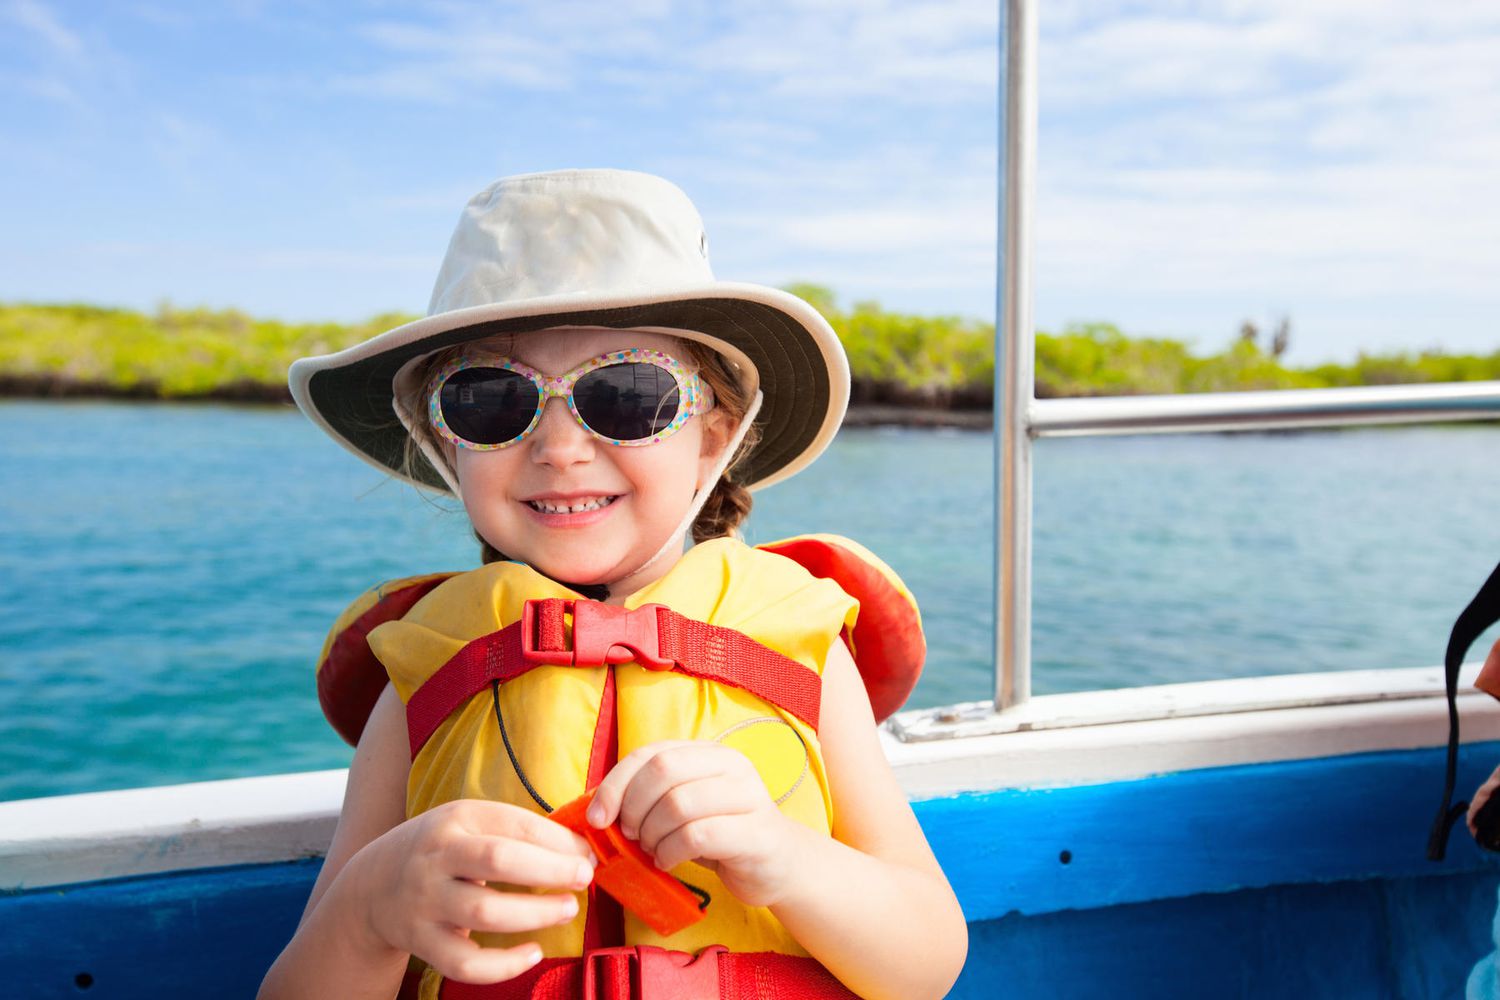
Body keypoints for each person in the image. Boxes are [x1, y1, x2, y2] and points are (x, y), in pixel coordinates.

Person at [259, 169, 968, 1000]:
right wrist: (368, 913)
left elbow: (928, 962)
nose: (560, 449)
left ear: (715, 437)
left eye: (628, 395)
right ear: (446, 441)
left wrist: (786, 858)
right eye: (490, 401)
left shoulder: (802, 644)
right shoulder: (424, 665)